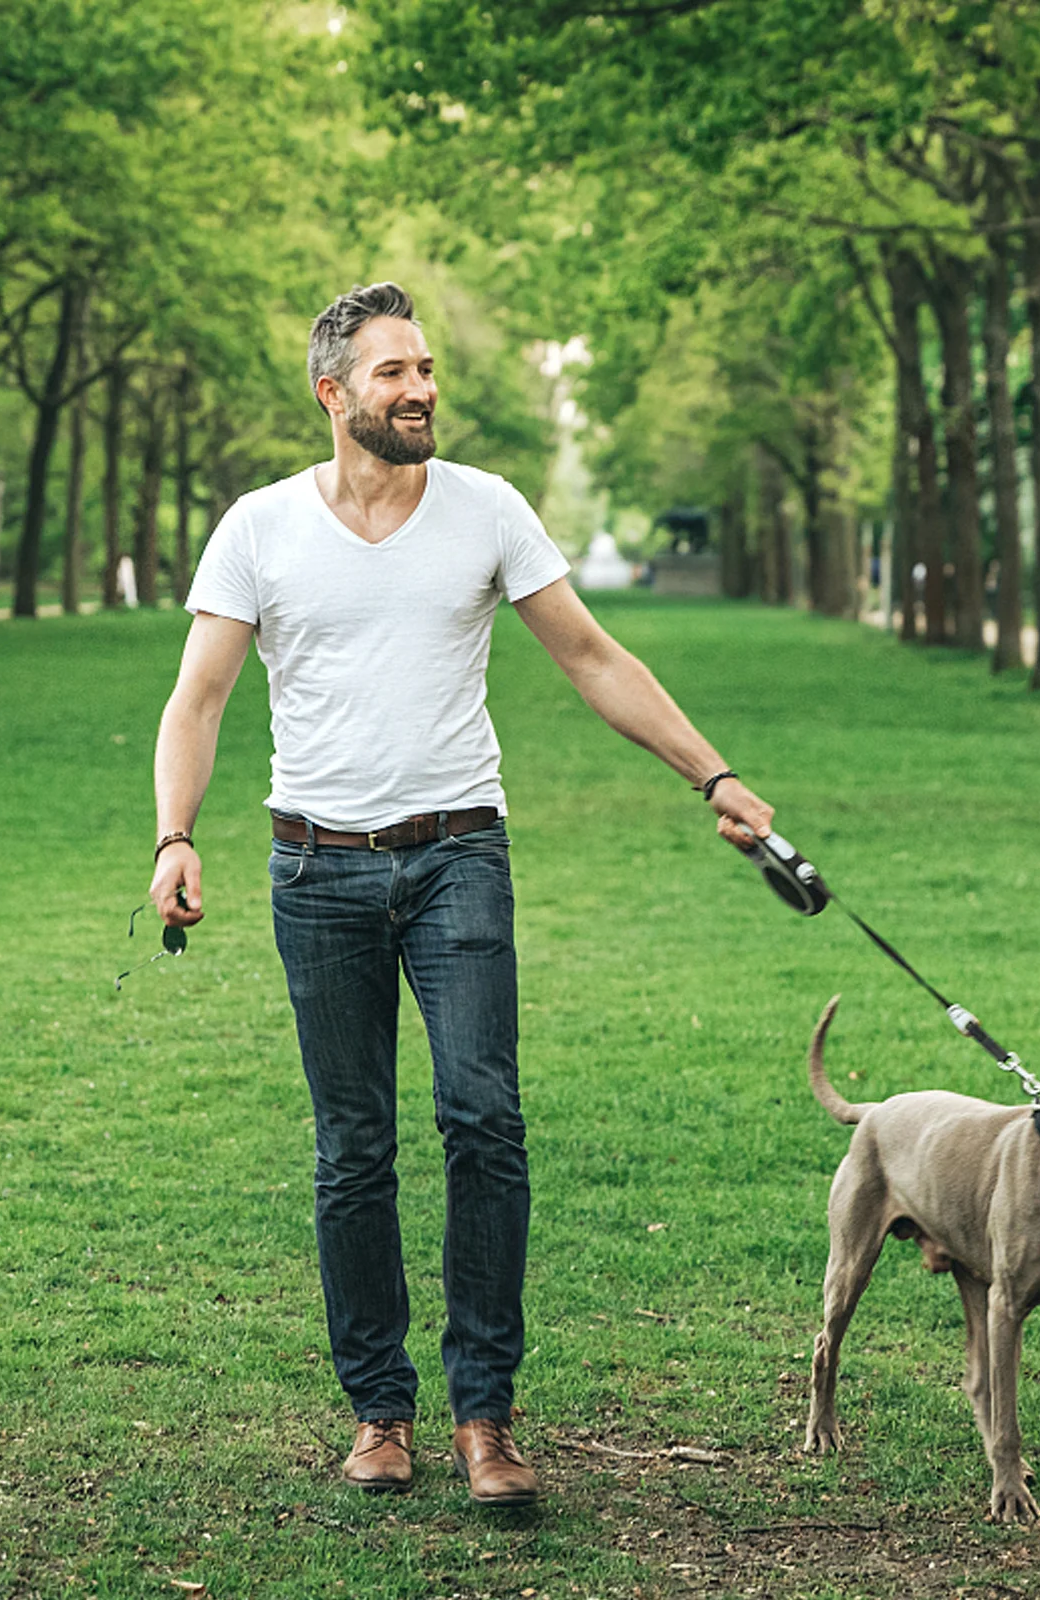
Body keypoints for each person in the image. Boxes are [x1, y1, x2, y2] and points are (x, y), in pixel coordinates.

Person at [149, 282, 773, 1505]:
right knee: (354, 1148)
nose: (420, 388)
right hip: (315, 865)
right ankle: (380, 1411)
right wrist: (174, 836)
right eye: (392, 373)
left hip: (457, 856)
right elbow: (200, 697)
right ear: (334, 395)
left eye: (425, 368)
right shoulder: (260, 528)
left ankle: (486, 1413)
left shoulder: (487, 510)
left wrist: (715, 772)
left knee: (485, 1121)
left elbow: (591, 654)